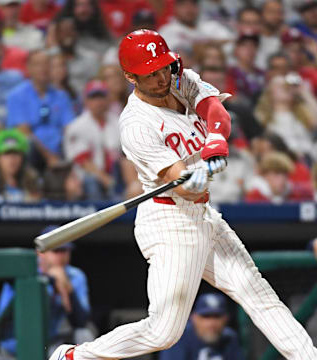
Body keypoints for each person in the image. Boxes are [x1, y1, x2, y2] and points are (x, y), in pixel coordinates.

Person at [50, 29, 317, 360]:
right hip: (170, 221)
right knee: (163, 332)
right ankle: (74, 356)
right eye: (151, 74)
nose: (162, 77)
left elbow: (214, 110)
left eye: (165, 67)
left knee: (257, 293)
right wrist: (198, 175)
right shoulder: (136, 125)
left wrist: (216, 143)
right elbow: (184, 185)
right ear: (130, 76)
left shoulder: (179, 79)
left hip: (203, 216)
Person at [0, 225, 91, 357]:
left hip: (50, 344)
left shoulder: (74, 275)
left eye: (65, 250)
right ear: (40, 252)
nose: (62, 256)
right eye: (57, 250)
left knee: (84, 334)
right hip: (14, 346)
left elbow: (81, 321)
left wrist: (67, 290)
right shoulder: (24, 271)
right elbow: (3, 320)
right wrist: (51, 281)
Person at [6, 49, 75, 171]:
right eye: (37, 64)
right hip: (33, 154)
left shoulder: (61, 96)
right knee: (29, 144)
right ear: (28, 68)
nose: (43, 68)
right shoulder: (16, 96)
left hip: (60, 149)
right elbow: (24, 132)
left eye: (46, 64)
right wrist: (50, 157)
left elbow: (69, 127)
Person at [64, 80, 121, 200]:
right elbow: (83, 161)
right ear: (86, 101)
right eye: (94, 97)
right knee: (91, 181)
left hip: (115, 175)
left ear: (108, 99)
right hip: (86, 178)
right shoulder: (77, 126)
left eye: (101, 97)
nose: (98, 102)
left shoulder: (117, 122)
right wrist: (106, 179)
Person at [159, 293, 245, 360]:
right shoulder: (178, 338)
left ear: (226, 318)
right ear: (193, 317)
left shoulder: (230, 338)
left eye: (217, 316)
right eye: (206, 316)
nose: (212, 323)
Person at [0, 128, 41, 202]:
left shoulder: (32, 181)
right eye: (7, 153)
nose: (12, 158)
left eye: (16, 153)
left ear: (22, 158)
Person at [245, 151, 313, 203]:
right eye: (276, 174)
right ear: (264, 175)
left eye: (285, 174)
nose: (282, 179)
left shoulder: (295, 195)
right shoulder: (254, 197)